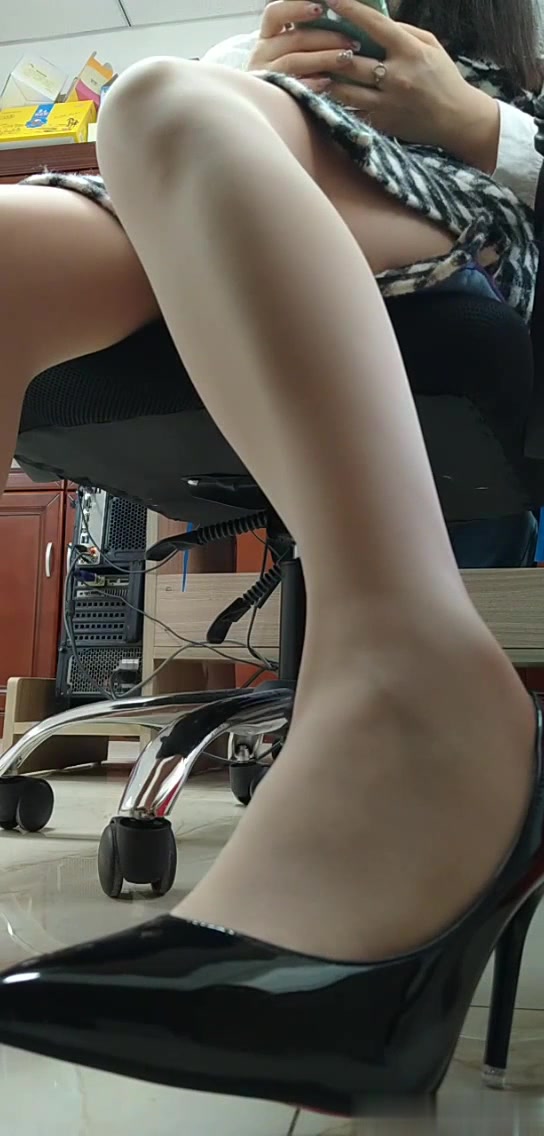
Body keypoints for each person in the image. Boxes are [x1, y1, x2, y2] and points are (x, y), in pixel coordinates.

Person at [0, 0, 543, 1113]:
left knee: (161, 98)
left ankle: (412, 690)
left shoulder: (501, 88)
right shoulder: (239, 63)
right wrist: (252, 70)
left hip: (456, 226)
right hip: (194, 194)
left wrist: (477, 118)